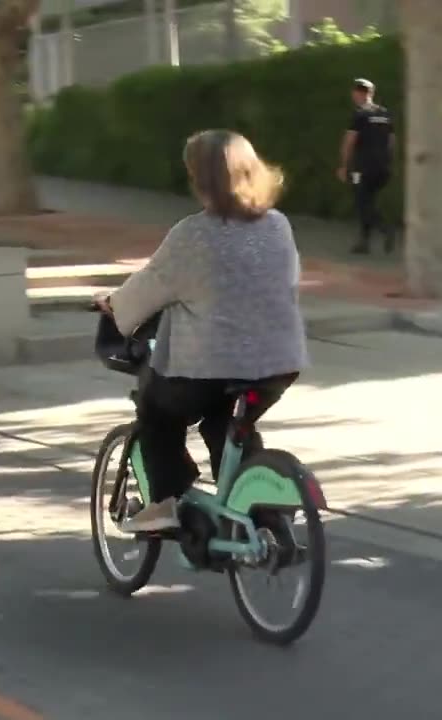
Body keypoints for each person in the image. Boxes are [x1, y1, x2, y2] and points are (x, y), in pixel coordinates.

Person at [95, 130, 309, 532]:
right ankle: (262, 515)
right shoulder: (278, 226)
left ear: (199, 180)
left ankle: (167, 503)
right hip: (278, 363)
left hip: (209, 366)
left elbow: (148, 288)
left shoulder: (193, 234)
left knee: (157, 412)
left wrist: (113, 304)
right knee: (225, 425)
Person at [337, 78, 396, 255]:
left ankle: (385, 229)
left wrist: (343, 166)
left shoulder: (360, 114)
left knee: (362, 202)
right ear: (372, 93)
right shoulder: (385, 114)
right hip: (382, 167)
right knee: (367, 201)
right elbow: (392, 141)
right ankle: (363, 243)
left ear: (357, 93)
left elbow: (349, 141)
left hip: (362, 167)